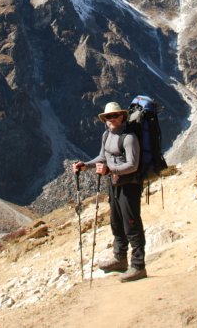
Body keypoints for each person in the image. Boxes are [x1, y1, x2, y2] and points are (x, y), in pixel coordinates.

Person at [73, 101, 147, 282]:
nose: (111, 119)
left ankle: (138, 266)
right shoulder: (106, 135)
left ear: (122, 116)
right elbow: (102, 156)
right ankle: (120, 258)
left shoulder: (129, 137)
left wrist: (110, 171)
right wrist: (86, 165)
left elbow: (133, 164)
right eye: (108, 116)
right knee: (116, 221)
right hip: (113, 183)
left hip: (129, 185)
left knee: (131, 223)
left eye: (114, 115)